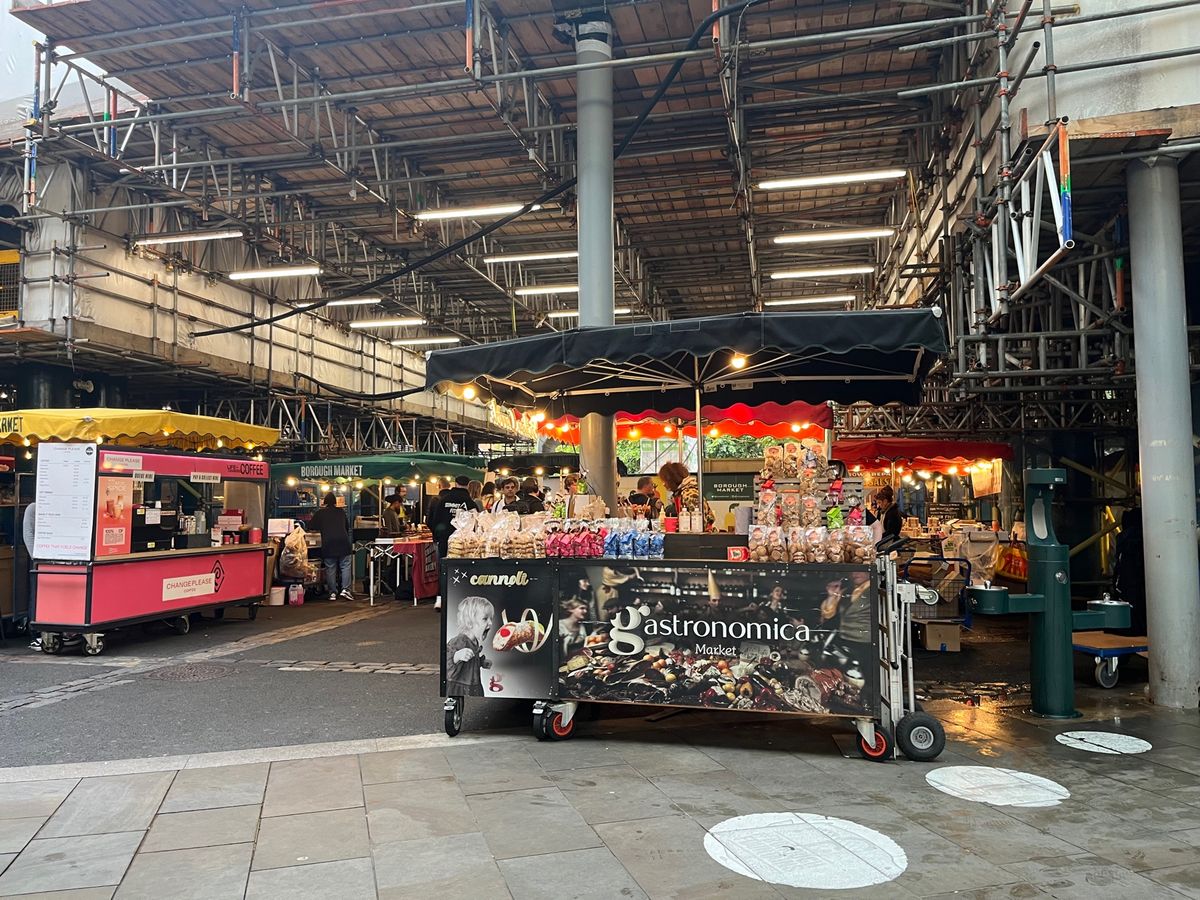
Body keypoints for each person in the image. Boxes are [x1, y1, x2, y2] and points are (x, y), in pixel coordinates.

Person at [444, 595, 494, 697]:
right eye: (485, 619)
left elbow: (470, 661)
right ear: (469, 622)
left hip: (473, 685)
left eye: (491, 618)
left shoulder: (474, 641)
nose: (490, 623)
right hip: (459, 687)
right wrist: (456, 657)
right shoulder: (459, 641)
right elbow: (446, 662)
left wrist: (481, 662)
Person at [309, 492, 354, 601]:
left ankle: (332, 593)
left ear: (324, 502)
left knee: (330, 568)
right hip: (343, 542)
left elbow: (311, 526)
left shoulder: (320, 513)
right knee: (345, 566)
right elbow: (347, 527)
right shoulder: (341, 512)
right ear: (335, 502)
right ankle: (346, 590)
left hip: (328, 543)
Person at [428, 476, 481, 559]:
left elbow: (434, 520)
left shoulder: (443, 500)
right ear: (468, 485)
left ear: (456, 484)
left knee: (444, 565)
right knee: (461, 566)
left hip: (444, 541)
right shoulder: (471, 503)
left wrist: (438, 536)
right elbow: (477, 524)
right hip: (465, 546)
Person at [657, 462, 715, 531]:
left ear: (672, 479)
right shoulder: (684, 492)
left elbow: (699, 525)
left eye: (665, 481)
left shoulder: (690, 494)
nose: (664, 484)